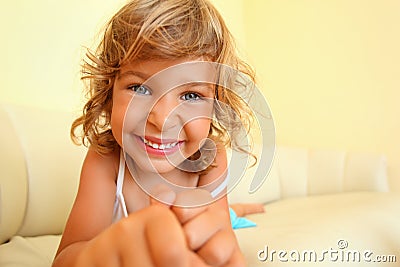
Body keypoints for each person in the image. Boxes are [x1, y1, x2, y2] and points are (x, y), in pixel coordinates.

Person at [53, 0, 263, 266]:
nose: (162, 119)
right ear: (109, 93)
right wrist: (96, 256)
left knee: (231, 214)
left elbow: (218, 234)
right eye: (139, 88)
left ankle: (242, 209)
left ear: (217, 105)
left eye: (190, 95)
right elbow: (66, 255)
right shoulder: (105, 159)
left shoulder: (210, 158)